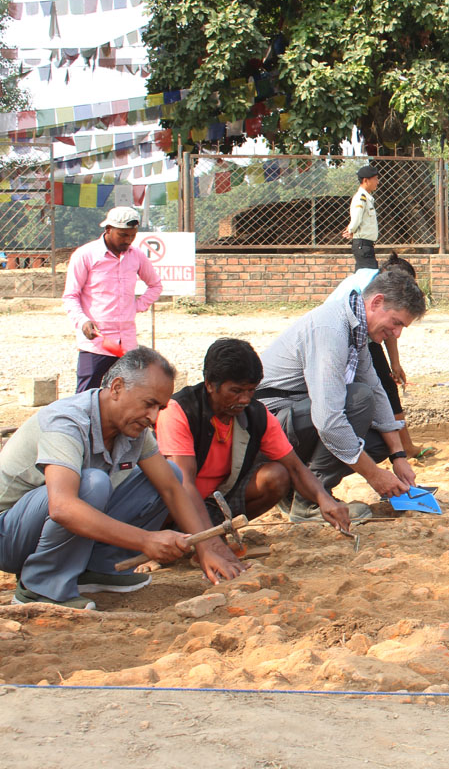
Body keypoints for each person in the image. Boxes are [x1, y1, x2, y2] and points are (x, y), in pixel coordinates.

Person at [0, 348, 244, 610]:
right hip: (9, 536)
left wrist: (205, 547)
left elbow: (172, 488)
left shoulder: (131, 429)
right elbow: (62, 507)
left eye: (160, 408)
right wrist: (145, 540)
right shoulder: (67, 421)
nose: (153, 417)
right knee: (92, 483)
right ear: (116, 388)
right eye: (148, 404)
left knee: (170, 472)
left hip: (47, 527)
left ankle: (99, 567)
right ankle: (42, 585)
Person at [256, 270, 426, 522]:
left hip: (293, 420)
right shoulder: (331, 329)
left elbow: (378, 390)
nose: (397, 333)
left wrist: (398, 456)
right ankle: (311, 501)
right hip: (265, 427)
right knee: (358, 399)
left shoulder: (355, 329)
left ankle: (294, 493)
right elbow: (329, 420)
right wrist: (375, 476)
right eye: (397, 322)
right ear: (376, 302)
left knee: (378, 439)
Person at [155, 338, 360, 532]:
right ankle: (197, 535)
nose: (244, 399)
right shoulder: (180, 410)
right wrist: (209, 544)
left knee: (276, 476)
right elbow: (184, 484)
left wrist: (324, 500)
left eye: (251, 391)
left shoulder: (256, 414)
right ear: (209, 384)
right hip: (175, 504)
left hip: (218, 498)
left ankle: (218, 531)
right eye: (235, 391)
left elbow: (295, 468)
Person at [327, 253, 431, 459]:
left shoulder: (380, 303)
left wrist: (395, 363)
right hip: (340, 339)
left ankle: (401, 447)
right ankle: (401, 446)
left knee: (382, 385)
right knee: (371, 390)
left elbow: (390, 327)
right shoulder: (360, 292)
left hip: (363, 335)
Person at [63, 206, 162, 392]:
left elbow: (155, 285)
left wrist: (137, 306)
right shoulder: (85, 255)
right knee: (86, 396)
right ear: (108, 229)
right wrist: (82, 321)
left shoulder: (136, 256)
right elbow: (70, 295)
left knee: (128, 395)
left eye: (132, 235)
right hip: (96, 342)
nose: (128, 240)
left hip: (127, 343)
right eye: (123, 235)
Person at [343, 164, 380, 271]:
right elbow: (356, 219)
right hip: (362, 245)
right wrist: (350, 230)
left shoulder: (367, 198)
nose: (377, 182)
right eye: (375, 179)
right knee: (368, 278)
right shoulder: (361, 198)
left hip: (366, 245)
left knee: (365, 278)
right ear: (366, 180)